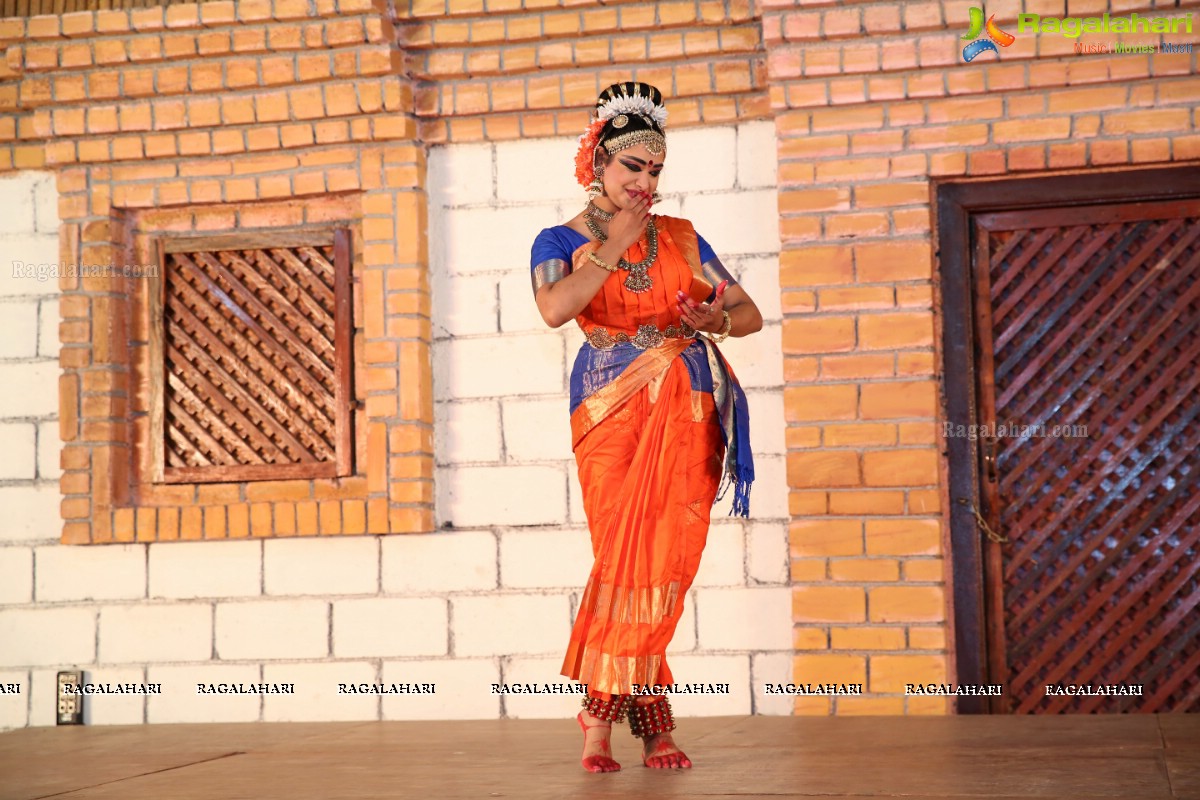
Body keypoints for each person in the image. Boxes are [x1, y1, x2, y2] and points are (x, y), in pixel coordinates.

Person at [529, 81, 763, 772]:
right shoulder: (560, 239)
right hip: (607, 402)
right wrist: (615, 244)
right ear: (595, 165)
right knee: (623, 557)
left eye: (654, 170)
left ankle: (601, 716)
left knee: (662, 560)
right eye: (632, 167)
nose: (644, 181)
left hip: (687, 396)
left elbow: (747, 311)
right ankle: (653, 723)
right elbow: (553, 308)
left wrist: (713, 320)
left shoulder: (684, 239)